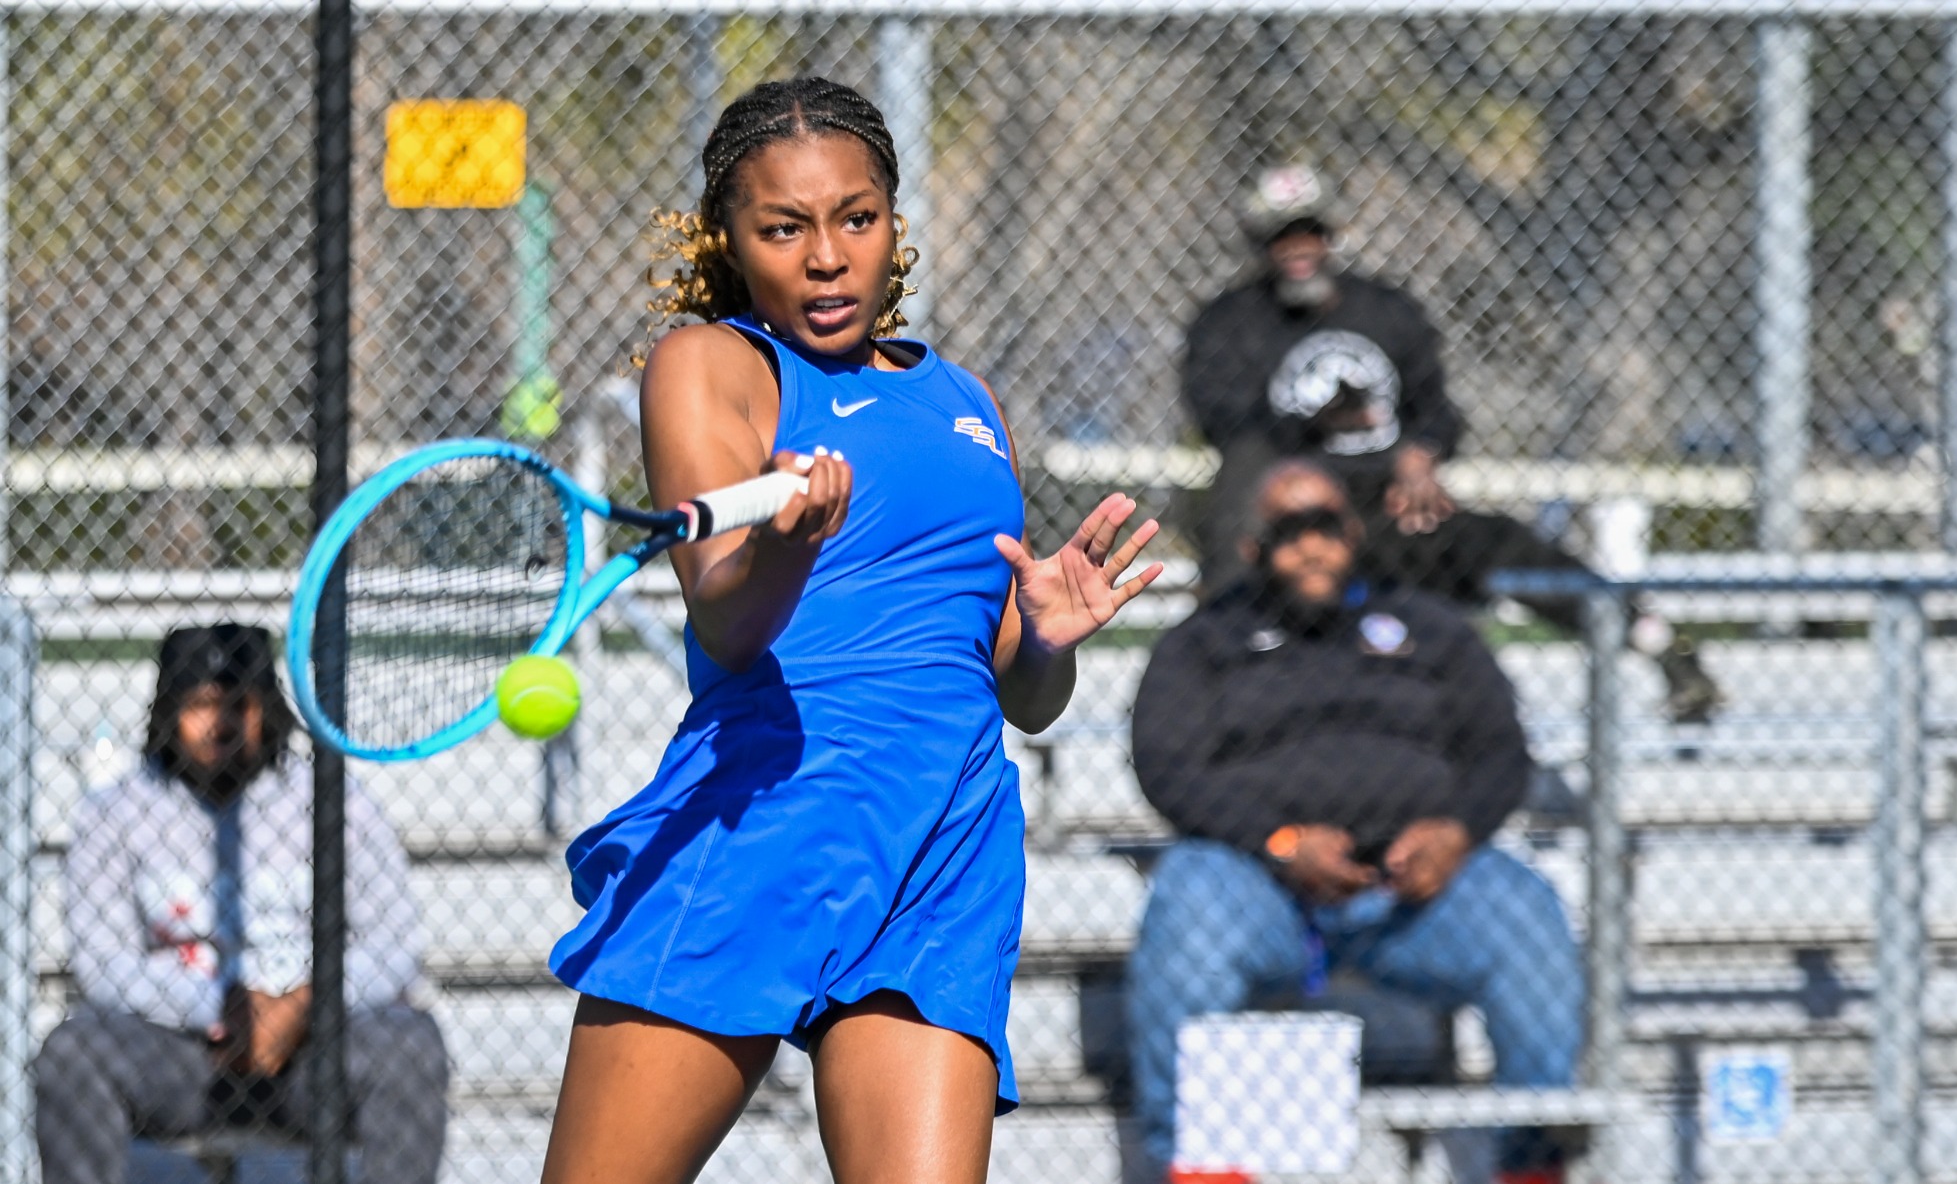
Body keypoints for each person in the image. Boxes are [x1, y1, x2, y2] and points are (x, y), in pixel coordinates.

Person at [541, 76, 1161, 1183]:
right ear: (729, 241)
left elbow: (1023, 698)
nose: (826, 257)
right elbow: (727, 619)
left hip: (943, 849)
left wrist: (1045, 638)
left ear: (891, 222)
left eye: (855, 218)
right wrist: (786, 543)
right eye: (783, 229)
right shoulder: (709, 365)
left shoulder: (969, 402)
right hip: (760, 826)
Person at [1126, 460, 1582, 1181]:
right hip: (1261, 887)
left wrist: (1457, 833)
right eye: (1290, 531)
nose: (1312, 547)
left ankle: (1533, 1163)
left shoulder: (1432, 628)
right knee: (1188, 903)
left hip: (1415, 895)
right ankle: (1198, 1166)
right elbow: (1166, 766)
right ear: (1253, 547)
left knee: (1527, 914)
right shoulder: (1203, 642)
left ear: (1355, 533)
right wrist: (1277, 844)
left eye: (1327, 526)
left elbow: (1501, 752)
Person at [1184, 163, 1720, 724]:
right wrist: (1313, 424)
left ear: (1331, 234)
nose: (1298, 248)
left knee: (1501, 542)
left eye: (1309, 232)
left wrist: (1422, 453)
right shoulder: (1229, 323)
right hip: (1296, 518)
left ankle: (1658, 643)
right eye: (1280, 236)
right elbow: (1226, 425)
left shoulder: (1386, 311)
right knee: (1241, 514)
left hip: (1392, 506)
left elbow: (1437, 411)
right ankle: (1219, 684)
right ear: (1258, 243)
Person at [33, 623, 448, 1184]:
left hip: (312, 1051)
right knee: (72, 1053)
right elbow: (102, 962)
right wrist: (217, 1008)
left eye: (238, 705)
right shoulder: (114, 812)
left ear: (266, 710)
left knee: (412, 1043)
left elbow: (396, 944)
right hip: (181, 1051)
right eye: (201, 705)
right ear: (168, 712)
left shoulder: (335, 800)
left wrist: (303, 1005)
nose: (221, 724)